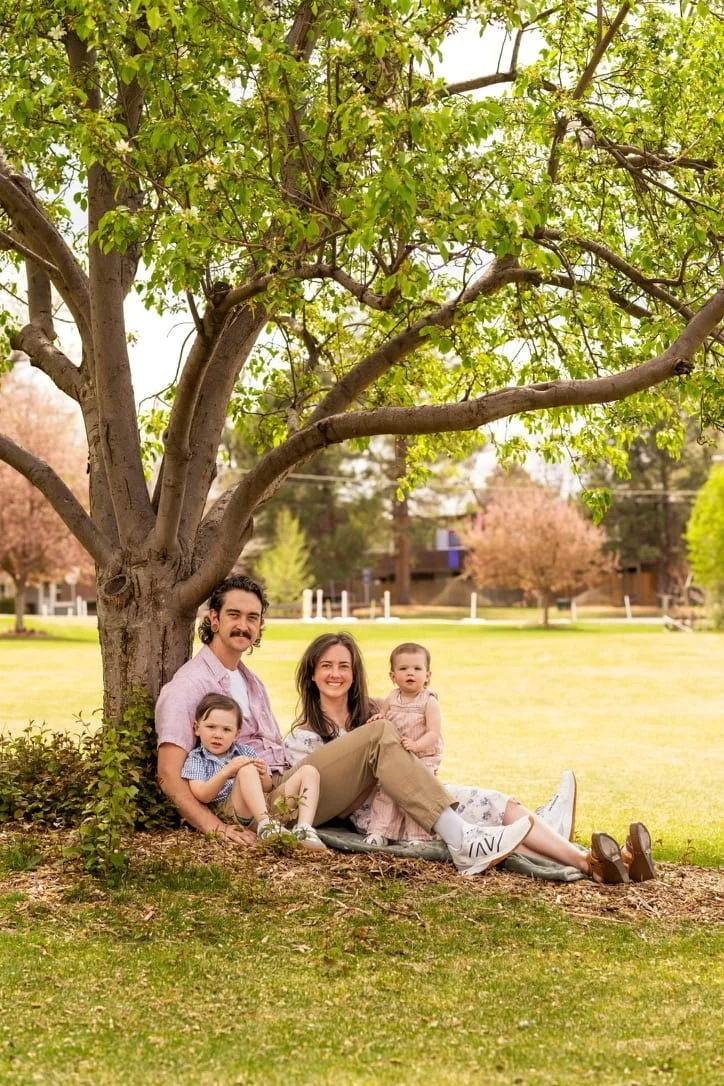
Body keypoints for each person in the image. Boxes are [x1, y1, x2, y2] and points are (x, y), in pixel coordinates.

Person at [155, 575, 537, 876]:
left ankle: (514, 831)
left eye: (251, 617)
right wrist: (217, 830)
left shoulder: (248, 680)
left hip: (288, 787)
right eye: (233, 615)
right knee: (378, 735)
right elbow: (170, 776)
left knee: (380, 733)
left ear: (260, 625)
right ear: (213, 619)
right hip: (255, 805)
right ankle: (463, 839)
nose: (243, 625)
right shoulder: (189, 686)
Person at [284, 631, 658, 886]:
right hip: (381, 810)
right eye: (326, 666)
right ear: (312, 674)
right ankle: (586, 858)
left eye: (344, 666)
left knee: (495, 802)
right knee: (481, 821)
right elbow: (325, 799)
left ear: (355, 673)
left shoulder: (375, 710)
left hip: (418, 790)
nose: (336, 674)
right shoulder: (305, 735)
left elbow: (419, 724)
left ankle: (597, 863)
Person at [181, 693, 327, 849]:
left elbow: (268, 788)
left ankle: (304, 829)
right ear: (197, 728)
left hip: (266, 808)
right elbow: (202, 795)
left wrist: (264, 776)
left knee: (309, 771)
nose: (218, 735)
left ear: (236, 734)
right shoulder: (197, 758)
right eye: (211, 727)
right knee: (246, 770)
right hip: (235, 812)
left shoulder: (246, 751)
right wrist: (226, 771)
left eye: (226, 730)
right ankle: (265, 826)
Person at [362, 642, 443, 847]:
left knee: (416, 797)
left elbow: (434, 733)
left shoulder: (429, 701)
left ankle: (419, 837)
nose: (410, 673)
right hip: (396, 759)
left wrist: (417, 745)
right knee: (387, 793)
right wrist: (379, 717)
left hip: (421, 757)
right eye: (403, 668)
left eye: (417, 669)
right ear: (392, 676)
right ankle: (380, 831)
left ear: (428, 675)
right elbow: (385, 716)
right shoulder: (392, 697)